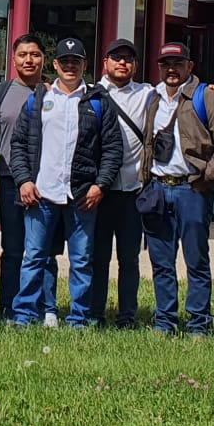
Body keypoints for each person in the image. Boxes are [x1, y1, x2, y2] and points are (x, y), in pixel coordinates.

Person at [8, 37, 121, 328]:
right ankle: (24, 315)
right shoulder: (39, 98)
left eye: (77, 62)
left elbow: (112, 148)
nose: (70, 67)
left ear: (85, 65)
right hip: (41, 193)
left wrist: (100, 185)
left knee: (82, 260)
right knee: (34, 257)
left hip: (82, 195)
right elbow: (19, 143)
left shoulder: (98, 102)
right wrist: (23, 180)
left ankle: (79, 319)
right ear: (55, 65)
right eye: (65, 62)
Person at [145, 41, 214, 337]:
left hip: (191, 190)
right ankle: (164, 323)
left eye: (177, 64)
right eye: (165, 64)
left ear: (190, 66)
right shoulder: (152, 98)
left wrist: (208, 177)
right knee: (161, 262)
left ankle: (199, 324)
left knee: (196, 261)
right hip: (158, 188)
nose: (171, 69)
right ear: (159, 67)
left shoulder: (205, 97)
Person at [84, 38, 159, 328]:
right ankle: (94, 314)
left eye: (128, 58)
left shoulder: (147, 93)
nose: (122, 63)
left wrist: (208, 87)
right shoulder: (92, 94)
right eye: (116, 58)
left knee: (129, 260)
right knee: (98, 258)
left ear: (135, 65)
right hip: (100, 190)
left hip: (133, 191)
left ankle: (127, 316)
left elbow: (179, 90)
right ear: (105, 63)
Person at [0, 33, 46, 321]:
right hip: (11, 179)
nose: (29, 59)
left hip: (44, 183)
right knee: (12, 249)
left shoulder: (53, 91)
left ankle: (42, 309)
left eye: (34, 54)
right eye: (23, 54)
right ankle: (8, 307)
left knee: (42, 252)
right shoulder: (2, 90)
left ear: (43, 59)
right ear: (13, 60)